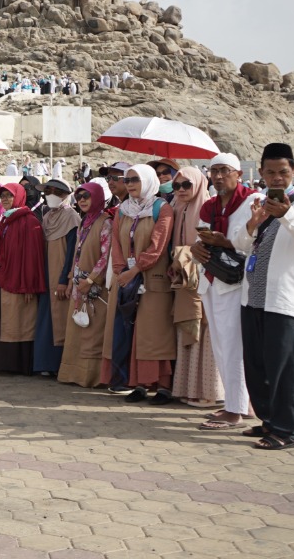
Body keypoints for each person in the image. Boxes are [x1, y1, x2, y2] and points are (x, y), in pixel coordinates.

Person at [233, 143, 294, 450]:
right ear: (260, 173)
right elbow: (240, 245)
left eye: (283, 172)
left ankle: (288, 432)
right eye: (270, 172)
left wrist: (286, 215)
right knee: (256, 366)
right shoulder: (259, 202)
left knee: (284, 369)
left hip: (285, 301)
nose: (276, 178)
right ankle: (269, 421)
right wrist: (253, 222)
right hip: (253, 299)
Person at [192, 153, 259, 430]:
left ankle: (235, 410)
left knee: (234, 346)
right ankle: (240, 403)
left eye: (224, 171)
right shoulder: (209, 207)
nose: (218, 176)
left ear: (238, 174)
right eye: (214, 170)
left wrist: (227, 243)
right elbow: (202, 239)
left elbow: (255, 243)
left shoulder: (252, 202)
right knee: (221, 345)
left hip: (236, 282)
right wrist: (196, 248)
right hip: (211, 279)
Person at [104, 165, 176, 402]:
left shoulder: (161, 208)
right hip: (127, 279)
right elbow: (116, 244)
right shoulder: (123, 210)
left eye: (135, 179)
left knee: (154, 332)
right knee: (132, 331)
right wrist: (120, 272)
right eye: (128, 179)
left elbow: (158, 245)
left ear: (147, 180)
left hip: (153, 280)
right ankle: (140, 383)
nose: (131, 183)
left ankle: (163, 385)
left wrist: (135, 270)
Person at [168, 167, 222, 409]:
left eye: (186, 185)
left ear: (199, 184)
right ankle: (187, 388)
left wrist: (186, 255)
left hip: (203, 278)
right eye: (176, 186)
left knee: (205, 331)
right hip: (182, 279)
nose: (180, 190)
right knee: (186, 329)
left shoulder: (209, 208)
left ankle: (208, 391)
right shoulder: (176, 208)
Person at [0, 183, 47, 374]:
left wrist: (29, 285)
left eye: (8, 195)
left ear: (19, 196)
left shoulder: (29, 221)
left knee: (20, 322)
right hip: (5, 277)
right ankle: (5, 364)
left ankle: (19, 365)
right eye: (2, 195)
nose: (4, 199)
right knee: (6, 322)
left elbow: (32, 255)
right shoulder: (6, 219)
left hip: (20, 281)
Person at [57, 182, 112, 387]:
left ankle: (91, 377)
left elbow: (106, 256)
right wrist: (72, 279)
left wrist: (90, 280)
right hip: (79, 285)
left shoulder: (105, 222)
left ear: (97, 198)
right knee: (76, 330)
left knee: (92, 332)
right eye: (79, 197)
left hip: (94, 287)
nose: (81, 200)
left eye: (86, 196)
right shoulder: (84, 222)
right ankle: (73, 374)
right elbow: (76, 255)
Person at [38, 179, 80, 376]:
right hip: (46, 273)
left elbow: (72, 251)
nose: (52, 195)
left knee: (60, 319)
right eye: (49, 191)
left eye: (57, 191)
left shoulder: (71, 217)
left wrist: (64, 278)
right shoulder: (47, 217)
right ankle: (45, 363)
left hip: (60, 275)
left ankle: (58, 365)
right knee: (47, 317)